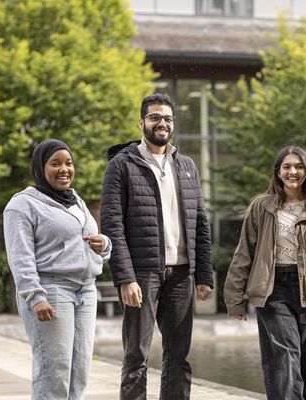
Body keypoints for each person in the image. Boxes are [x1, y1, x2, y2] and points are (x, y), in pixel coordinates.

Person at [100, 93, 214, 400]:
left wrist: (203, 274)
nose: (161, 123)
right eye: (154, 117)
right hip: (143, 273)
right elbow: (112, 225)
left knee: (179, 356)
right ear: (142, 122)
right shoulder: (122, 165)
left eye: (167, 118)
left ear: (173, 124)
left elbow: (200, 222)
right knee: (136, 354)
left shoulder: (187, 165)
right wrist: (125, 278)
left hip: (181, 275)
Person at [224, 145, 306, 400]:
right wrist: (234, 298)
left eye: (298, 166)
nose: (293, 171)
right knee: (284, 357)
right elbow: (243, 254)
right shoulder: (261, 207)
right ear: (278, 172)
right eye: (287, 167)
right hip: (273, 291)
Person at [3, 139, 112, 400]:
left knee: (80, 369)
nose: (64, 169)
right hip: (51, 290)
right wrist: (35, 296)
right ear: (41, 168)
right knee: (54, 370)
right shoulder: (22, 205)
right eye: (55, 163)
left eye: (69, 163)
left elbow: (90, 241)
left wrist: (104, 244)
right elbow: (20, 256)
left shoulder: (76, 201)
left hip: (85, 290)